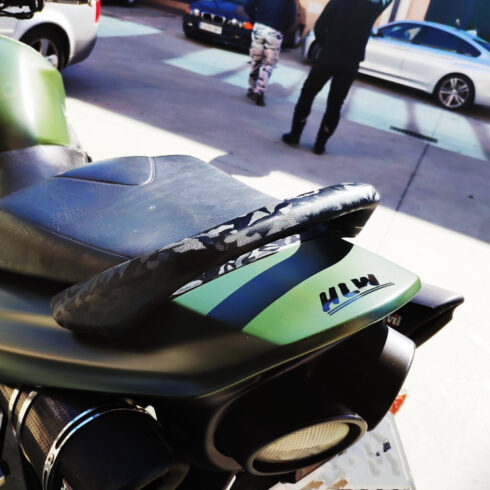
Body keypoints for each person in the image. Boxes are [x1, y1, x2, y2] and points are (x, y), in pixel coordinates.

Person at [282, 0, 393, 154]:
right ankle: (320, 144)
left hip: (328, 56)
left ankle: (295, 135)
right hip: (350, 63)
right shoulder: (373, 6)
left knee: (308, 93)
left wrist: (325, 44)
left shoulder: (338, 2)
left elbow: (320, 26)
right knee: (335, 104)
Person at [244, 0, 297, 106]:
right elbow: (292, 16)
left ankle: (252, 88)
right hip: (275, 30)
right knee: (268, 63)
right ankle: (259, 92)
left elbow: (248, 5)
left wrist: (256, 19)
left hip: (259, 27)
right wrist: (283, 27)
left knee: (256, 58)